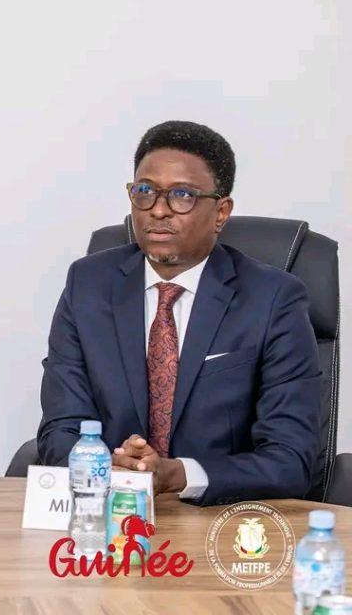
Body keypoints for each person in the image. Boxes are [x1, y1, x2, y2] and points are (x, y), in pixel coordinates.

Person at [37, 120, 320, 506]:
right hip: (106, 511)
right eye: (145, 192)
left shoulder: (273, 300)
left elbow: (290, 459)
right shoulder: (88, 284)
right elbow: (60, 429)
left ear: (221, 212)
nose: (158, 210)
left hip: (220, 518)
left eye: (182, 195)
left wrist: (180, 475)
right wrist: (107, 468)